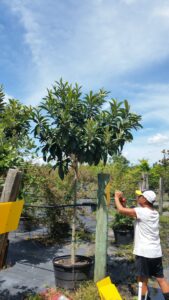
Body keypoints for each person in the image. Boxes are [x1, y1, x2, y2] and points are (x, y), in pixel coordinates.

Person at [114, 189, 169, 300]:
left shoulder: (142, 212)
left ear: (144, 200)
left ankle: (143, 298)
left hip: (144, 253)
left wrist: (116, 197)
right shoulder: (154, 213)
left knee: (142, 279)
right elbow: (129, 212)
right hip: (156, 252)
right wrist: (123, 203)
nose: (138, 197)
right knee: (160, 278)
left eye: (140, 196)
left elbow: (121, 210)